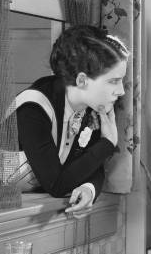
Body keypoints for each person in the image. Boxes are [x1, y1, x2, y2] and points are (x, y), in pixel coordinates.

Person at [11, 25, 129, 218]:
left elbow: (91, 166)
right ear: (82, 80)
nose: (121, 91)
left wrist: (88, 188)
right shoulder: (32, 108)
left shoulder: (88, 106)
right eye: (113, 81)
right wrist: (107, 143)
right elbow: (57, 185)